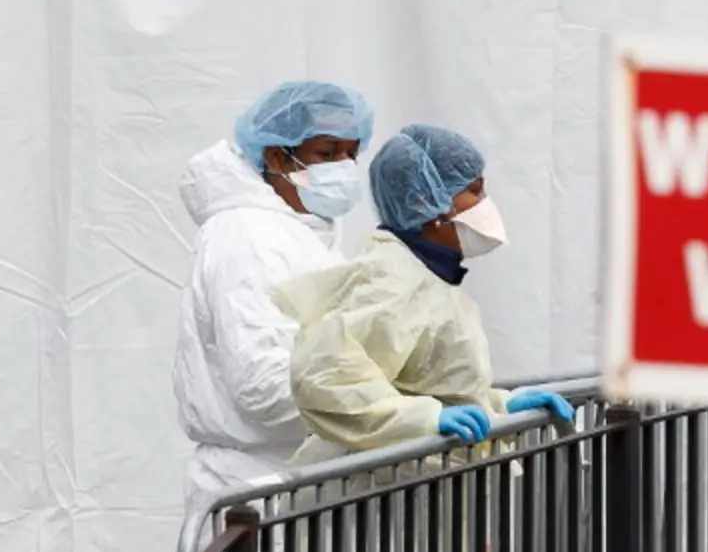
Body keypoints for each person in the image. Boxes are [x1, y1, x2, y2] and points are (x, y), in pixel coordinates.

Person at [272, 123, 574, 463]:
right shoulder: (392, 280)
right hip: (371, 502)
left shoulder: (429, 279)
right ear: (430, 204)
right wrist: (425, 421)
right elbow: (325, 377)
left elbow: (420, 383)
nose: (485, 203)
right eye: (474, 192)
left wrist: (498, 406)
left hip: (415, 495)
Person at [171, 80, 374, 518]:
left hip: (304, 485)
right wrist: (385, 401)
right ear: (278, 156)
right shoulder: (246, 236)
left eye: (351, 153)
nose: (343, 166)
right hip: (257, 497)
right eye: (327, 152)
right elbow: (263, 388)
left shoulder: (304, 235)